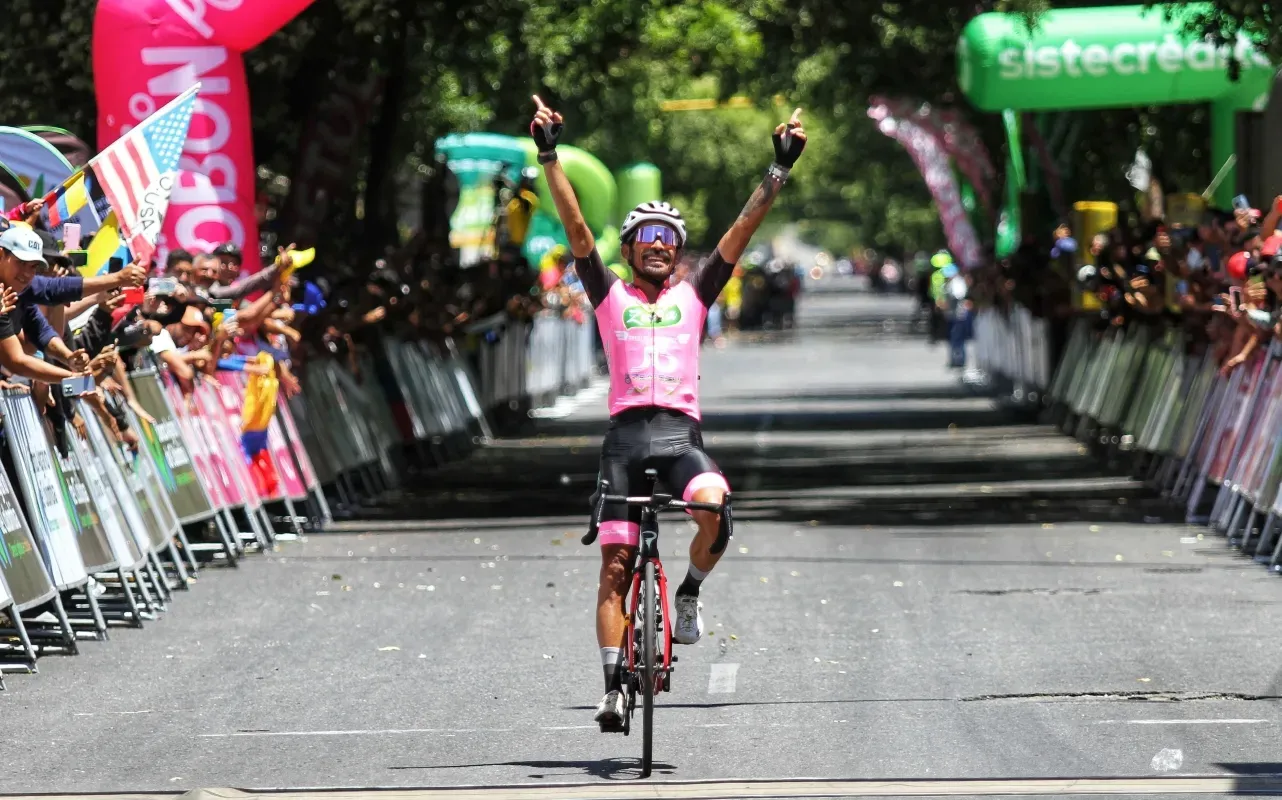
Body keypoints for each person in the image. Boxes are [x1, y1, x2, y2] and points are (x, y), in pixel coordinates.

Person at [529, 95, 807, 728]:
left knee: (714, 506)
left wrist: (777, 171)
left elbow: (741, 232)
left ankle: (688, 591)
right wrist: (549, 155)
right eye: (644, 238)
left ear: (679, 254)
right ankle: (611, 687)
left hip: (681, 437)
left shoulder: (695, 294)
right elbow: (575, 229)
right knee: (615, 567)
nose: (656, 246)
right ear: (628, 249)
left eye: (667, 239)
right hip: (625, 441)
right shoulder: (606, 293)